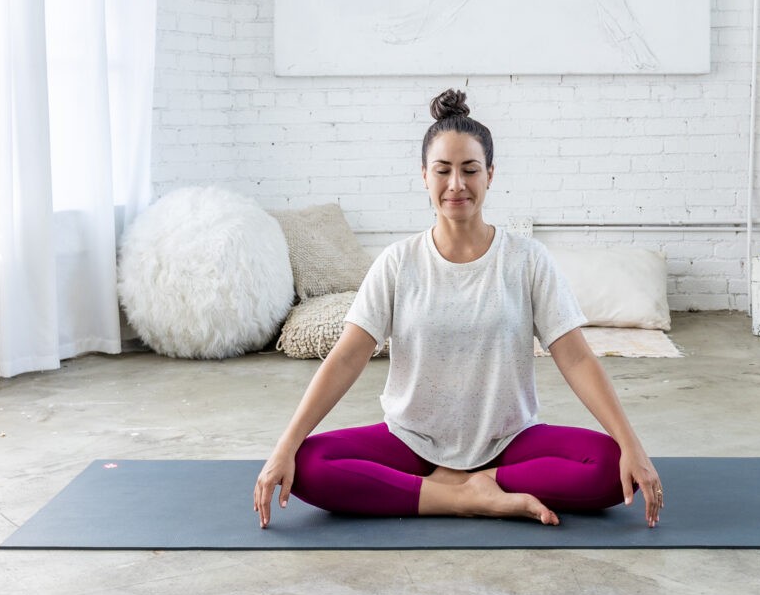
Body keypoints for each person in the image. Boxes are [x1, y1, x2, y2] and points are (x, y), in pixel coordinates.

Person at [252, 89, 664, 528]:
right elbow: (349, 355)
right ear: (424, 176)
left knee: (607, 466)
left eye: (469, 170)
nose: (456, 185)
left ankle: (482, 481)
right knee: (308, 464)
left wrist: (632, 445)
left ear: (490, 174)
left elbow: (576, 357)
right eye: (442, 171)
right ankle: (464, 498)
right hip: (411, 441)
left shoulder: (527, 260)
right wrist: (285, 445)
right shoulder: (398, 261)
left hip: (509, 441)